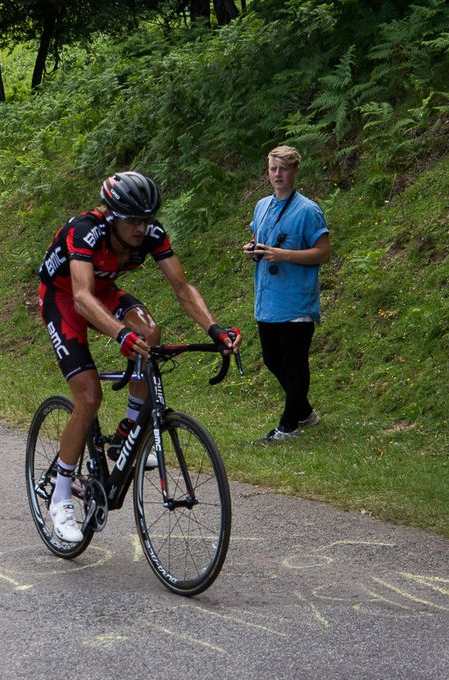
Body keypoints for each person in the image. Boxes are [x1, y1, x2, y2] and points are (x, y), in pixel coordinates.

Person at [37, 171, 241, 542]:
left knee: (150, 335)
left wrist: (215, 329)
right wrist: (120, 334)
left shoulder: (151, 234)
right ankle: (61, 494)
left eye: (146, 219)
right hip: (64, 298)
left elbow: (182, 287)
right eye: (132, 220)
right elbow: (82, 297)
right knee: (88, 396)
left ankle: (125, 433)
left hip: (105, 291)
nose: (140, 228)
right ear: (112, 215)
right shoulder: (84, 231)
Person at [243, 145, 330, 443]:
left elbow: (323, 252)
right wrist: (253, 249)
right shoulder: (262, 206)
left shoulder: (308, 210)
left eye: (283, 169)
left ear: (294, 171)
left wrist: (284, 254)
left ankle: (288, 425)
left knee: (294, 363)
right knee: (272, 359)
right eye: (272, 169)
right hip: (268, 300)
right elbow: (260, 239)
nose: (277, 174)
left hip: (296, 300)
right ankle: (304, 411)